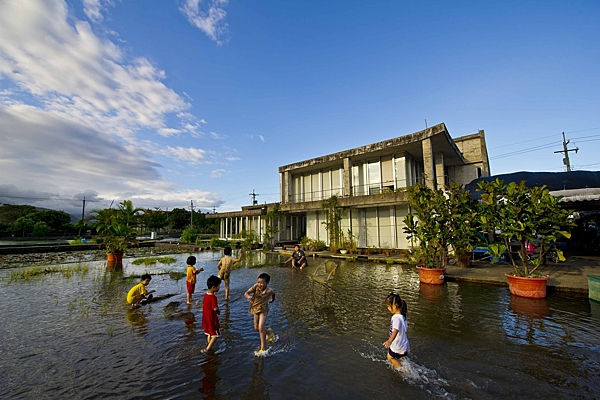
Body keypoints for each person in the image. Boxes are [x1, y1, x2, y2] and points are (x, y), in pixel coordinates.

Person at [244, 273, 276, 355]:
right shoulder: (255, 287)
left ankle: (263, 348)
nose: (259, 284)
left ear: (267, 283)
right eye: (258, 282)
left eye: (261, 283)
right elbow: (246, 293)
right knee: (256, 328)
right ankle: (269, 332)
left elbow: (273, 294)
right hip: (255, 309)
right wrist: (248, 297)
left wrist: (272, 300)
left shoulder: (269, 290)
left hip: (263, 309)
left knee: (261, 326)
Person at [383, 292, 410, 369]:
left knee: (390, 357)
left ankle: (402, 371)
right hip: (404, 344)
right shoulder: (402, 317)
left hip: (398, 345)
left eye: (388, 306)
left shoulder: (396, 318)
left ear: (394, 306)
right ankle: (405, 366)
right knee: (399, 357)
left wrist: (389, 341)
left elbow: (396, 330)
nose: (388, 308)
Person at [202, 275, 222, 353]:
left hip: (205, 317)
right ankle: (207, 349)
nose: (219, 287)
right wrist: (218, 311)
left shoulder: (205, 295)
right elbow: (215, 308)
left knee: (209, 333)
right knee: (215, 335)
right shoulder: (213, 297)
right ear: (213, 287)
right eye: (218, 286)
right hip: (211, 318)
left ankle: (209, 344)